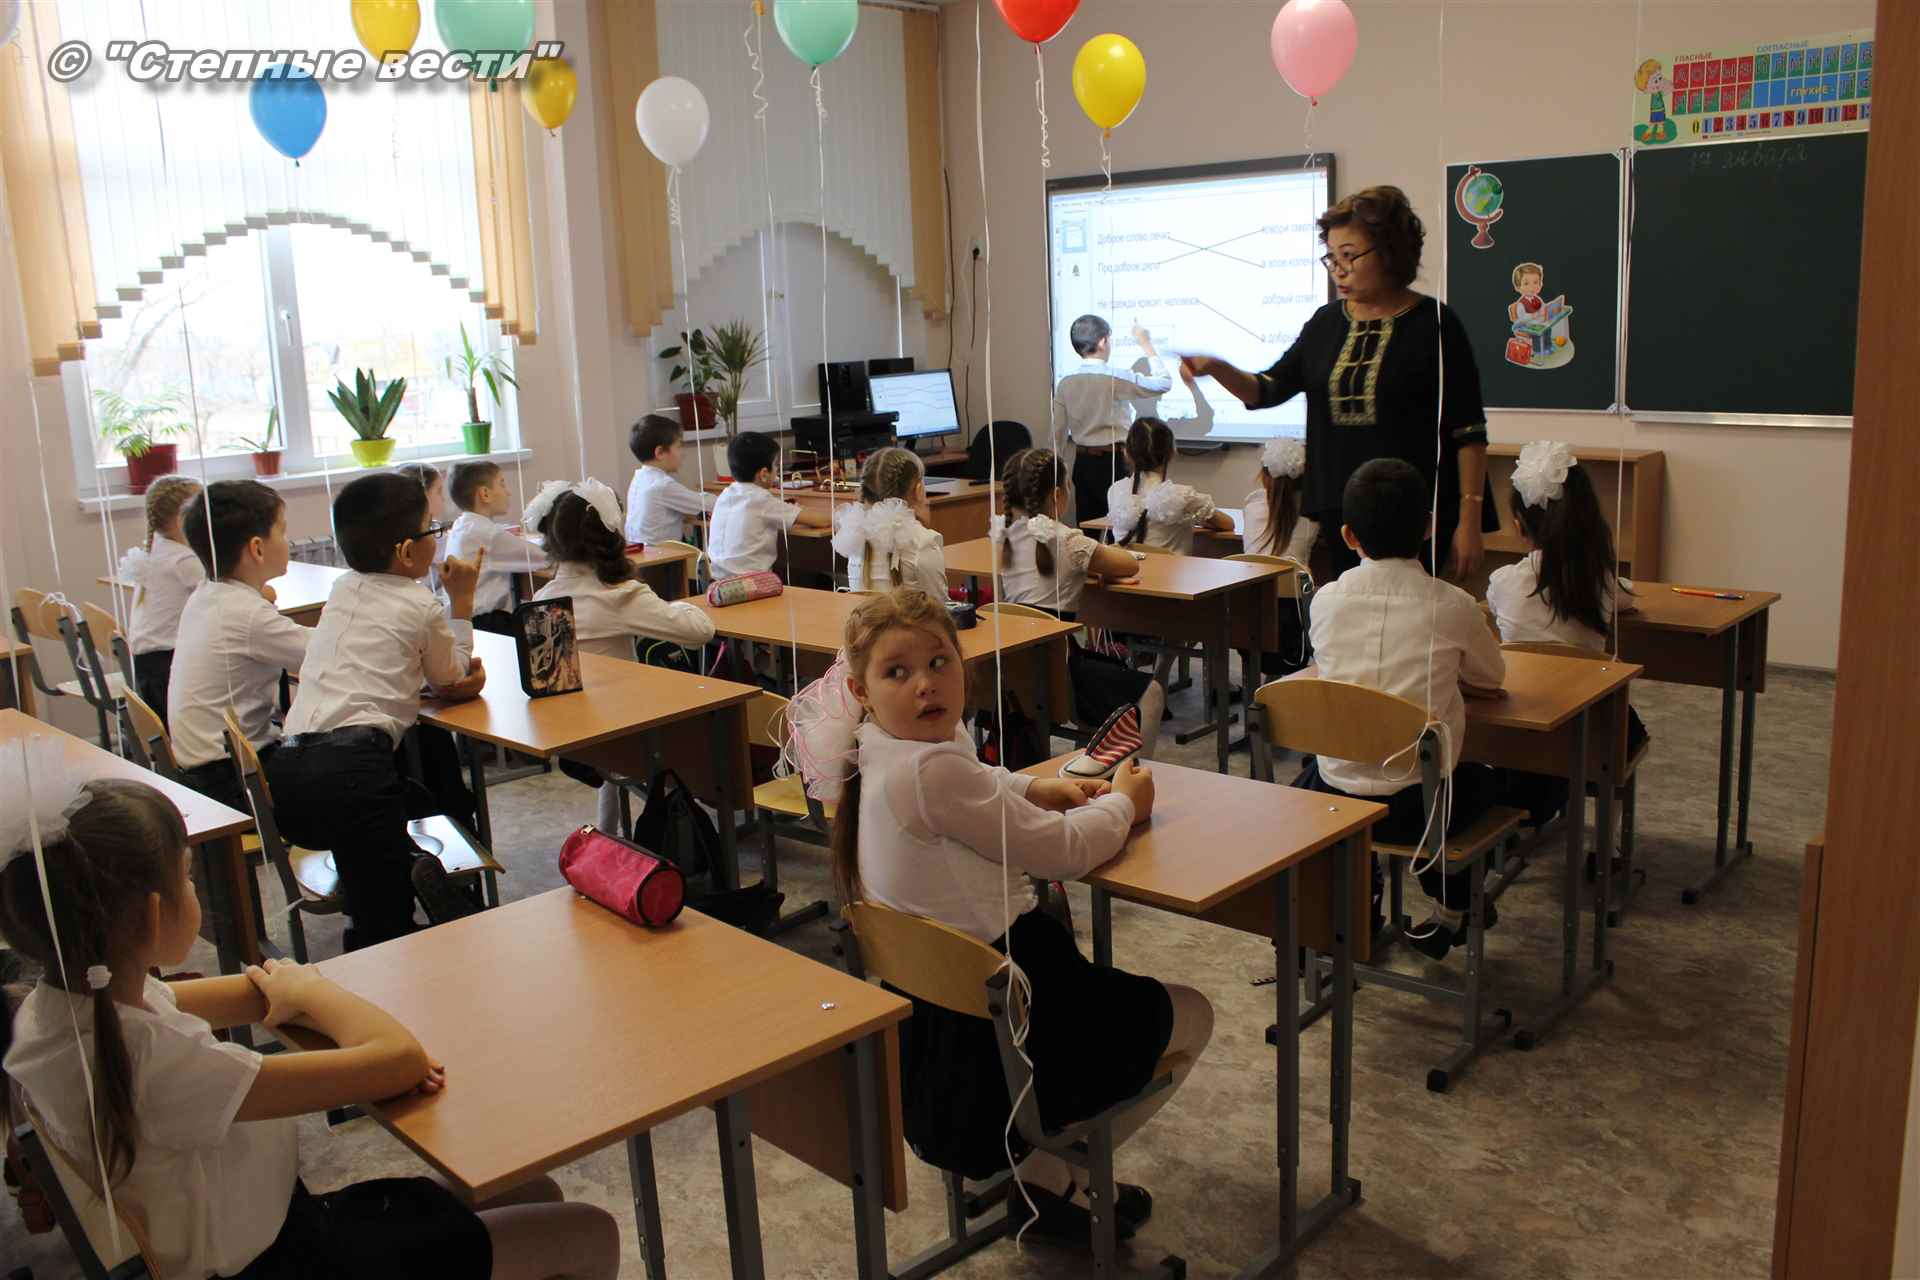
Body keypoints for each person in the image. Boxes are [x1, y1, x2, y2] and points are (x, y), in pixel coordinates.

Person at [0, 767, 620, 1280]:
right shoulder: (159, 1063)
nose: (195, 890)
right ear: (153, 914)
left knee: (534, 1190)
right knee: (588, 1232)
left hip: (266, 1235)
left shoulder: (65, 1007)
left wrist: (295, 991)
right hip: (289, 1261)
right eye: (188, 878)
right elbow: (398, 1059)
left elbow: (249, 994)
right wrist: (309, 991)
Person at [828, 588, 1212, 1244]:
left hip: (945, 1039)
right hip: (1017, 1027)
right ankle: (1057, 1177)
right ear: (861, 690)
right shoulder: (930, 772)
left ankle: (1049, 1182)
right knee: (1193, 1015)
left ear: (963, 664)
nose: (925, 684)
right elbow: (1064, 852)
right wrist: (1125, 804)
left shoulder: (881, 748)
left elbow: (971, 781)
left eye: (939, 662)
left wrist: (1036, 785)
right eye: (898, 672)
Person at [1181, 186, 1496, 580]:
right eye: (1332, 256)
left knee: (1412, 612)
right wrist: (1218, 368)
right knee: (1352, 610)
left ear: (1390, 251)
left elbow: (1468, 430)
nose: (1338, 269)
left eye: (1350, 256)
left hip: (1420, 515)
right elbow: (1268, 389)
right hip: (1341, 510)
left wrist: (1469, 520)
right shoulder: (1325, 323)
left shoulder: (1435, 323)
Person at [1294, 459, 1508, 959]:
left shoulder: (1325, 600)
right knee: (1494, 780)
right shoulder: (1453, 604)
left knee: (1312, 770)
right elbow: (1490, 679)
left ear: (1348, 535)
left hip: (1334, 801)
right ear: (1430, 527)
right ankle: (1454, 904)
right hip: (1422, 810)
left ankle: (1342, 913)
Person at [267, 473, 488, 950]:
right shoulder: (420, 602)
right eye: (433, 530)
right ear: (407, 552)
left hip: (288, 772)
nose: (438, 539)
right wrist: (463, 601)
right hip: (354, 770)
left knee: (400, 817)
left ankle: (412, 869)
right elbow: (450, 677)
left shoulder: (343, 589)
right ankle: (403, 915)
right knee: (384, 917)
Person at [526, 477, 717, 832]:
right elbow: (700, 631)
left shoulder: (543, 599)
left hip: (568, 733)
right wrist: (674, 605)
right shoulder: (621, 596)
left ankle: (607, 831)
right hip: (623, 732)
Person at [1486, 441, 1645, 828]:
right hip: (1589, 732)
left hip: (1519, 727)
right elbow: (1625, 598)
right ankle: (1608, 840)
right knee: (1628, 726)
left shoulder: (1503, 583)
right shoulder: (1600, 583)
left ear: (1519, 525)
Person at [997, 447, 1167, 762]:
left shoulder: (1004, 537)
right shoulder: (1068, 540)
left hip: (1012, 669)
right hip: (1057, 670)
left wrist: (1088, 569)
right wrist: (1096, 568)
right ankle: (1132, 779)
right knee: (1152, 693)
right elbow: (1129, 565)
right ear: (1058, 495)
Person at [168, 481, 311, 814]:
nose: (286, 540)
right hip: (234, 780)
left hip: (205, 772)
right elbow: (326, 653)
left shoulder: (207, 595)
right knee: (355, 765)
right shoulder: (244, 613)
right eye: (283, 531)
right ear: (257, 548)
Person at [1052, 315, 1173, 524]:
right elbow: (1163, 383)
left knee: (1088, 527)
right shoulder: (1116, 378)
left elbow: (1057, 433)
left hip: (1083, 464)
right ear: (1103, 341)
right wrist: (1146, 344)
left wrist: (1057, 473)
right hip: (1115, 462)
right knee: (1121, 526)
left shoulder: (1065, 383)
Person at [116, 475, 205, 727]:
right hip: (168, 667)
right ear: (182, 519)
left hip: (147, 668)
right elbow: (223, 593)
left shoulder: (158, 550)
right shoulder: (182, 560)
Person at [708, 431, 830, 580]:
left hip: (719, 583)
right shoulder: (760, 499)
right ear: (764, 474)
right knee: (820, 580)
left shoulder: (725, 494)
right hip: (751, 585)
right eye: (776, 465)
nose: (777, 471)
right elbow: (821, 521)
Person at [445, 461, 547, 634]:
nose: (508, 492)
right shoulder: (488, 534)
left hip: (465, 620)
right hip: (488, 624)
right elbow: (543, 558)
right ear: (484, 494)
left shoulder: (461, 525)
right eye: (502, 484)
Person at [831, 447, 949, 597]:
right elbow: (939, 605)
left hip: (865, 613)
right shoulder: (923, 542)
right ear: (918, 490)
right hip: (914, 614)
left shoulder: (854, 536)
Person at [1106, 417, 1233, 554]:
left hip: (1126, 567)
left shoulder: (1116, 490)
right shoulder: (1182, 495)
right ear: (1172, 452)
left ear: (1127, 453)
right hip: (1171, 568)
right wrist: (1196, 518)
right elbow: (1228, 524)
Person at [624, 413, 713, 546]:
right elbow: (709, 504)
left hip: (638, 554)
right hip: (661, 557)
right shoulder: (662, 485)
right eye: (679, 447)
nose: (682, 453)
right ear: (660, 453)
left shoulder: (639, 478)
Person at [1245, 436, 1318, 564]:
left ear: (1264, 477)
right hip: (1292, 577)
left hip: (1251, 576)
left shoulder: (1252, 504)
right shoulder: (1311, 513)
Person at [396, 462, 450, 593]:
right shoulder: (430, 535)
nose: (443, 498)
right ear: (422, 495)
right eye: (439, 491)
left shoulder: (402, 526)